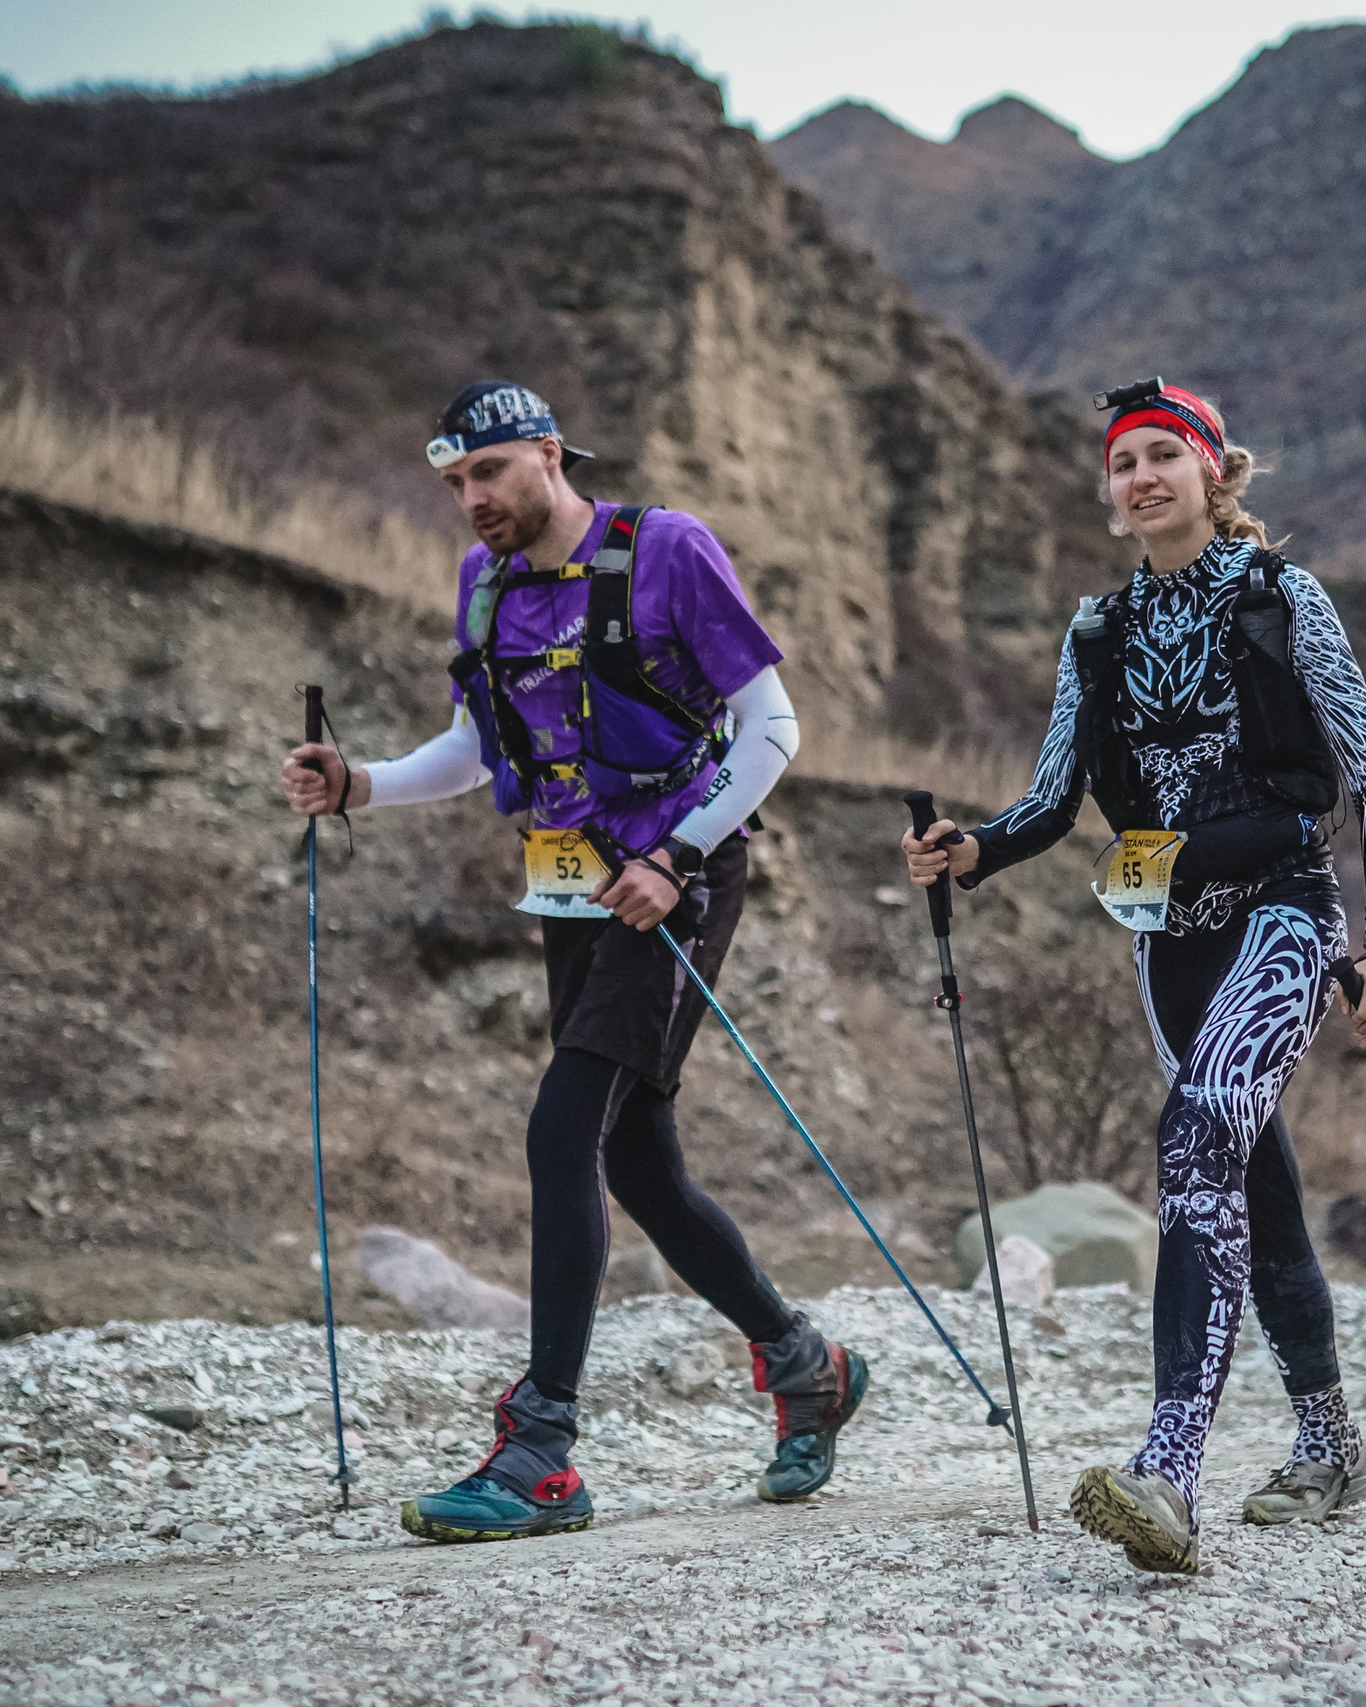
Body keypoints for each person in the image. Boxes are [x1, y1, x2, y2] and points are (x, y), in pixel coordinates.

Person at [283, 380, 864, 1543]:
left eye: (488, 473)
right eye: (453, 483)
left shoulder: (668, 551)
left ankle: (541, 1446)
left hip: (674, 881)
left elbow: (772, 729)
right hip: (567, 886)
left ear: (549, 455)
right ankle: (809, 1364)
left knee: (563, 1129)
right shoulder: (484, 581)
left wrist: (677, 856)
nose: (470, 500)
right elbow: (472, 745)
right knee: (638, 1165)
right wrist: (363, 786)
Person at [901, 381, 1366, 1575]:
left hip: (1286, 915)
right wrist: (969, 848)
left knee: (1196, 1136)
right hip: (1168, 938)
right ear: (1109, 495)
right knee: (1253, 1175)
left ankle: (1168, 1472)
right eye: (1122, 463)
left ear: (1212, 474)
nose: (1141, 477)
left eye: (1164, 457)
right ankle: (1330, 1442)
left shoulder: (1283, 597)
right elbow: (1048, 798)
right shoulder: (1097, 632)